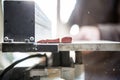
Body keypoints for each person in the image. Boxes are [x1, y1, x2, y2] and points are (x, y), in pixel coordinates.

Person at [67, 0, 120, 80]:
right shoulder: (80, 2)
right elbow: (70, 22)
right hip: (86, 67)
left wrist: (99, 32)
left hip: (112, 71)